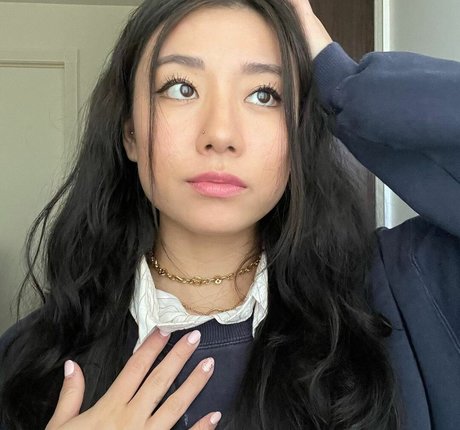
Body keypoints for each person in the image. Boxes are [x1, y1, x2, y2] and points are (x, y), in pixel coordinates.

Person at [0, 0, 459, 428]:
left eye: (264, 94)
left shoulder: (403, 292)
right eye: (181, 89)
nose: (220, 134)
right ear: (130, 134)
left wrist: (339, 77)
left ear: (298, 134)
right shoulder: (25, 359)